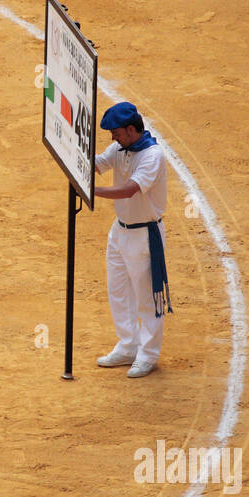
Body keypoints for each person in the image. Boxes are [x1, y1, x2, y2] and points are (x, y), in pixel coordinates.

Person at [92, 102, 171, 378]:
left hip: (144, 235)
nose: (112, 137)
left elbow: (130, 190)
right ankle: (128, 346)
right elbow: (99, 163)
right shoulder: (121, 148)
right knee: (118, 290)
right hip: (120, 231)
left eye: (116, 133)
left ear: (130, 129)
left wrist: (92, 191)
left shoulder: (153, 155)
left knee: (147, 298)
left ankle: (148, 354)